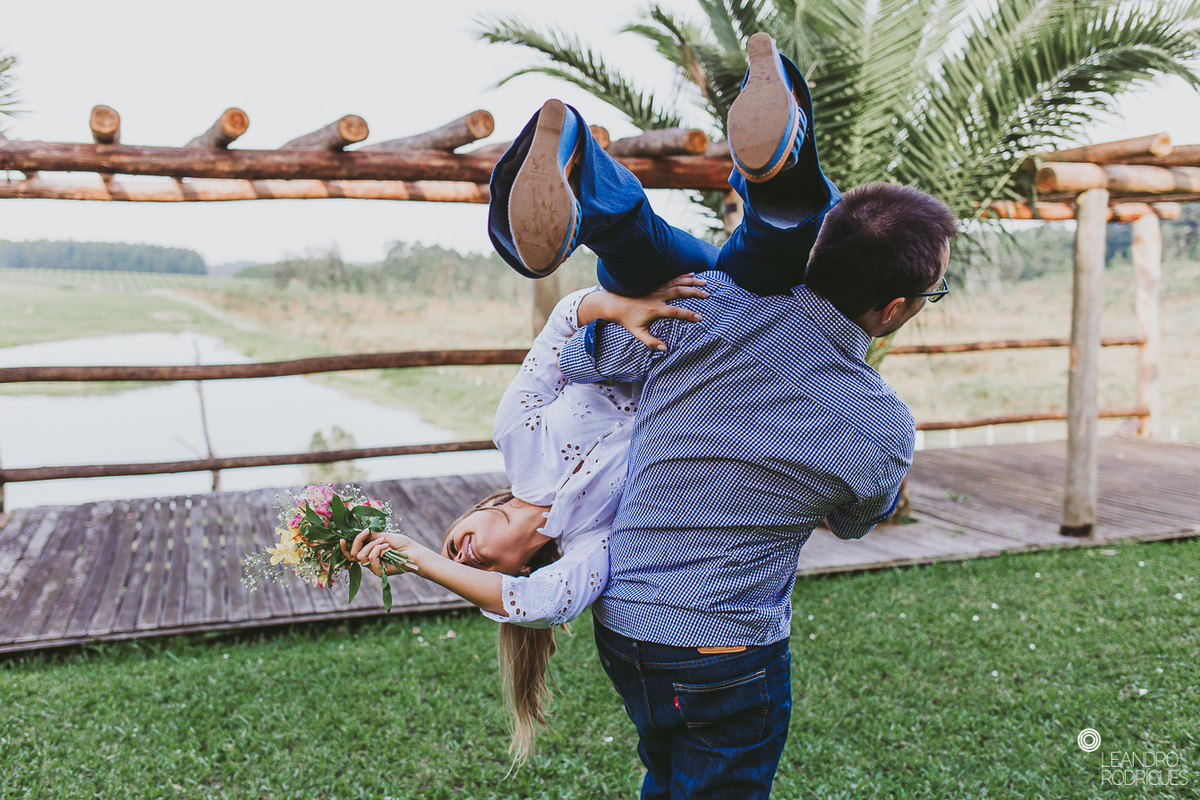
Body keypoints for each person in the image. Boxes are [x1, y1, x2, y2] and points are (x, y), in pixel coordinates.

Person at [485, 32, 958, 799]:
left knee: (672, 264)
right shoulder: (881, 427)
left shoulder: (707, 312)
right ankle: (773, 196)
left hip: (628, 626)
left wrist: (645, 317)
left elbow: (582, 360)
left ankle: (608, 180)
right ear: (896, 308)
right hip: (722, 651)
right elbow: (856, 520)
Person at [343, 274, 708, 763]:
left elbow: (557, 331)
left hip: (656, 312)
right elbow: (546, 602)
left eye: (451, 549)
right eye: (477, 571)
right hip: (712, 371)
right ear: (516, 574)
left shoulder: (513, 434)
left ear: (466, 517)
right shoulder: (593, 541)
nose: (463, 556)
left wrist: (617, 305)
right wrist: (421, 563)